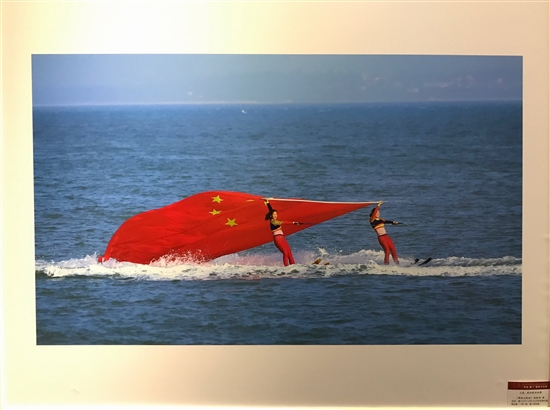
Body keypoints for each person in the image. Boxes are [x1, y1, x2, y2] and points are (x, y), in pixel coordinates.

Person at [265, 200, 303, 266]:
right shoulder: (273, 221)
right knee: (285, 252)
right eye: (274, 214)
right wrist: (293, 223)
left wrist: (268, 203)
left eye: (276, 214)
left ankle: (293, 266)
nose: (275, 215)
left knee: (289, 253)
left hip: (282, 238)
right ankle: (286, 267)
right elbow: (284, 222)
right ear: (271, 215)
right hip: (277, 239)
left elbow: (270, 210)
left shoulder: (274, 220)